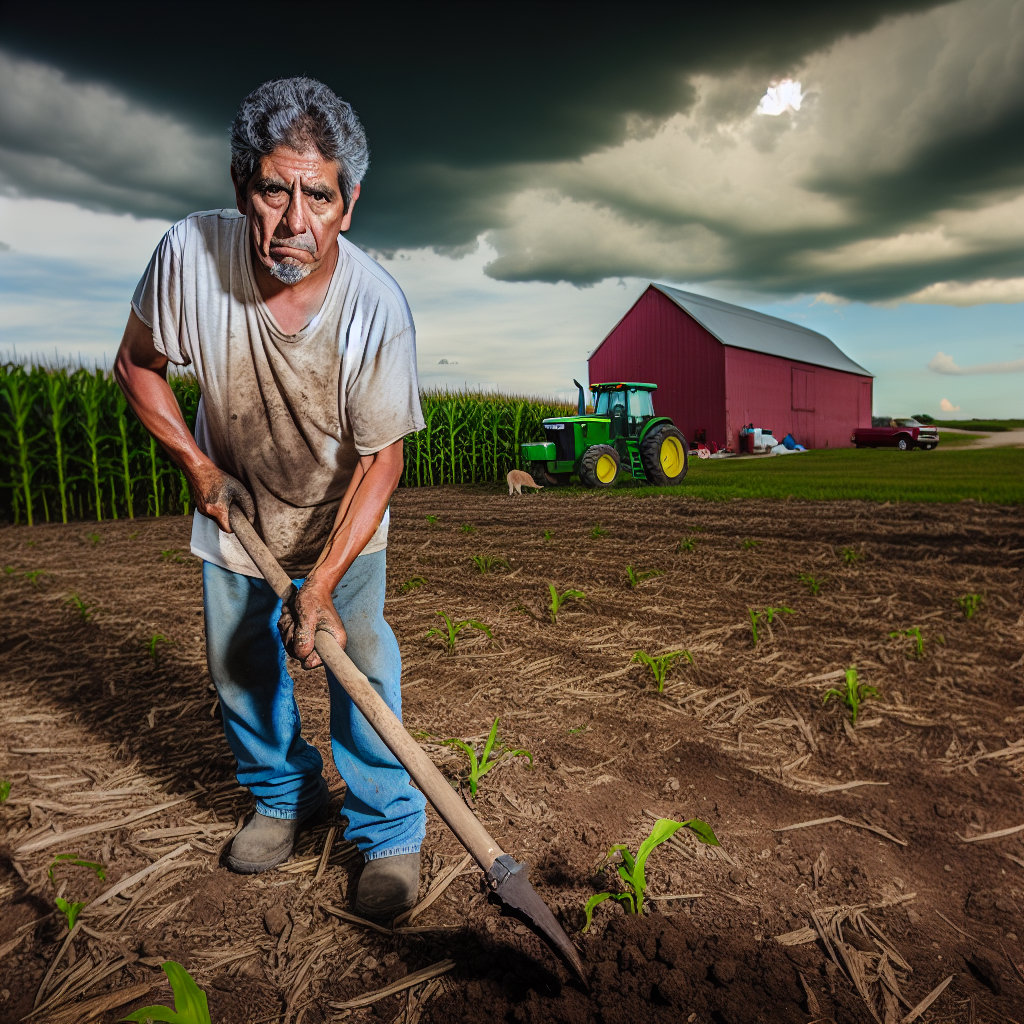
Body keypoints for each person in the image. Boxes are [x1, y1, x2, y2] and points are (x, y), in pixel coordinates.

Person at [114, 77, 426, 922]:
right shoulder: (190, 256)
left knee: (359, 666)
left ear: (348, 203)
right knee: (240, 667)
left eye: (318, 195)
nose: (295, 222)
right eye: (273, 191)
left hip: (344, 515)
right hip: (236, 509)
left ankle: (390, 832)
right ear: (239, 188)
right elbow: (138, 364)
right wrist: (197, 465)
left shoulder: (375, 309)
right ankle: (284, 797)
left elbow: (384, 462)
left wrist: (321, 584)